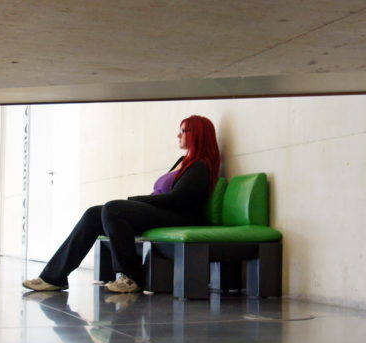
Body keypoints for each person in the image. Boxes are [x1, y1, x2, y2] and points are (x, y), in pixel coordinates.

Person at [22, 115, 221, 294]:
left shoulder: (199, 166)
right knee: (94, 214)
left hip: (178, 215)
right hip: (161, 210)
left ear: (197, 134)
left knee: (114, 209)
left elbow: (178, 200)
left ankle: (131, 277)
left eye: (183, 131)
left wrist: (137, 200)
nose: (177, 135)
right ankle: (54, 277)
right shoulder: (182, 160)